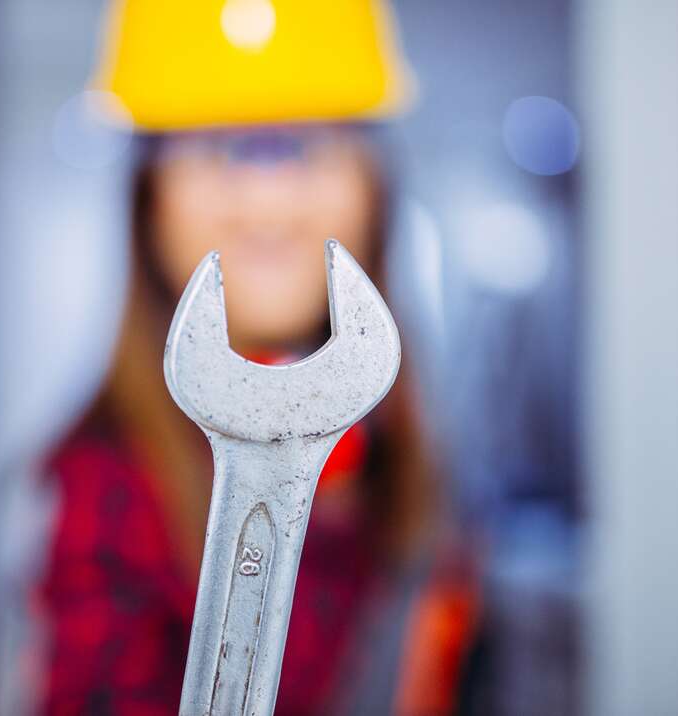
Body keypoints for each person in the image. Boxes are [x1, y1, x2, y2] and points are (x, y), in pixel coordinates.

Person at [26, 1, 477, 713]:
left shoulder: (414, 469)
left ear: (375, 186)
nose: (268, 203)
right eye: (215, 148)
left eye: (309, 143)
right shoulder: (102, 500)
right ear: (149, 199)